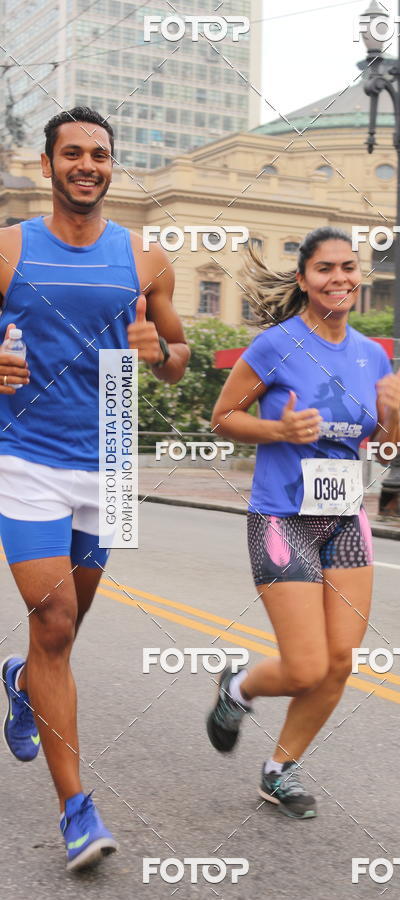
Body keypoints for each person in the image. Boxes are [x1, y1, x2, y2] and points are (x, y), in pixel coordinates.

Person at [0, 107, 189, 870]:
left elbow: (178, 355)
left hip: (109, 453)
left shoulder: (145, 259)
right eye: (72, 153)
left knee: (64, 634)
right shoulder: (9, 251)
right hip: (27, 457)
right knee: (53, 621)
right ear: (48, 166)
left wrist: (160, 350)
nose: (87, 164)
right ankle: (77, 810)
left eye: (100, 154)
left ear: (112, 166)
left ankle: (18, 679)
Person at [207, 226, 400, 817]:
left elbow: (388, 452)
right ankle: (238, 687)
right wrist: (278, 430)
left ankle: (279, 769)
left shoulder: (374, 355)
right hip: (283, 516)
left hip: (344, 519)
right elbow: (222, 418)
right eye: (324, 269)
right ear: (303, 279)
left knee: (339, 664)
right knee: (305, 666)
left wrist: (392, 416)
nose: (339, 278)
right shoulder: (275, 345)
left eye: (349, 267)